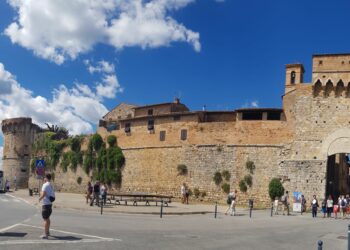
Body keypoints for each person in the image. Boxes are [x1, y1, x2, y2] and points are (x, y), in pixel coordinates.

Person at [38, 173, 55, 239]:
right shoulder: (50, 185)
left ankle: (45, 234)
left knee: (45, 219)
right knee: (47, 219)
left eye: (44, 177)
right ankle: (47, 232)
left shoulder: (45, 185)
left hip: (45, 204)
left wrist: (39, 198)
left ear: (46, 178)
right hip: (50, 204)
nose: (43, 179)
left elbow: (44, 193)